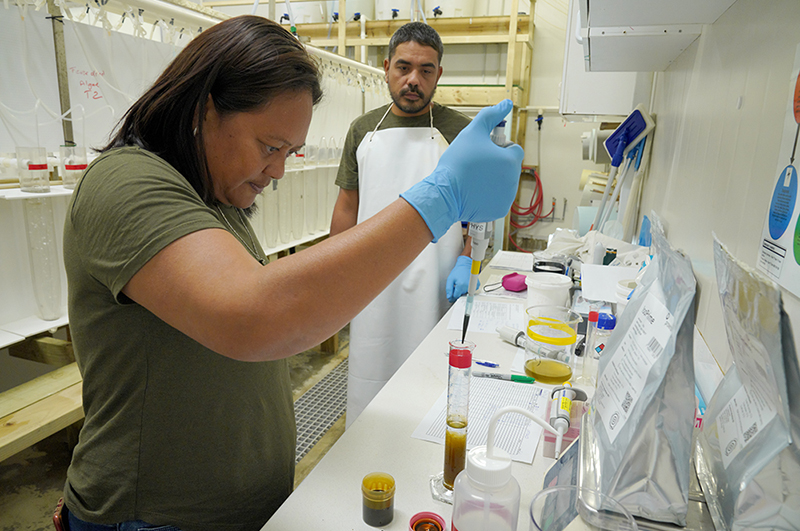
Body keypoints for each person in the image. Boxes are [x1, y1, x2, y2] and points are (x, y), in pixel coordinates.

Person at [61, 15, 523, 531]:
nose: (279, 170)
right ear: (205, 108)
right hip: (156, 516)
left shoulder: (211, 195)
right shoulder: (128, 184)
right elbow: (255, 315)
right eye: (269, 146)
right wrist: (441, 199)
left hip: (241, 508)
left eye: (290, 152)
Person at [330, 22, 484, 426]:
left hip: (436, 278)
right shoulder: (363, 131)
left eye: (425, 70)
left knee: (428, 383)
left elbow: (477, 215)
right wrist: (333, 271)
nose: (413, 80)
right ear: (386, 67)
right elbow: (348, 205)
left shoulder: (460, 132)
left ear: (439, 75)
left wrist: (468, 260)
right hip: (372, 280)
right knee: (371, 372)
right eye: (403, 67)